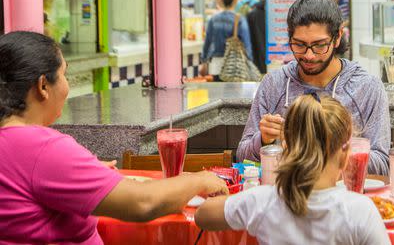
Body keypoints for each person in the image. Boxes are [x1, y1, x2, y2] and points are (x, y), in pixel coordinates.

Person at [0, 31, 228, 245]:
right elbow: (143, 203)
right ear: (43, 86)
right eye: (64, 74)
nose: (67, 84)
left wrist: (86, 171)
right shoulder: (43, 149)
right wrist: (200, 180)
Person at [196, 95, 394, 245]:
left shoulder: (262, 201)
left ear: (286, 147)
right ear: (345, 155)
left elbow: (202, 216)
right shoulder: (358, 211)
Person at [236, 0, 390, 175]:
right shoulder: (274, 84)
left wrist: (326, 148)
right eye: (299, 45)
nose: (308, 56)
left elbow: (382, 165)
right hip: (285, 196)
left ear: (337, 37)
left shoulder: (367, 88)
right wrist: (262, 140)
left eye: (319, 45)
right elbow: (242, 156)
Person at [201, 0, 253, 80]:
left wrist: (204, 61)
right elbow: (247, 45)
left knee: (217, 94)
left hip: (216, 65)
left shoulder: (213, 19)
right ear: (235, 0)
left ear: (221, 0)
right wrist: (249, 61)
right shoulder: (239, 20)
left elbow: (207, 43)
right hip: (234, 67)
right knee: (234, 94)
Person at [247, 0, 266, 74]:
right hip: (276, 62)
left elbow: (248, 41)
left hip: (257, 64)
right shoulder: (278, 15)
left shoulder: (251, 15)